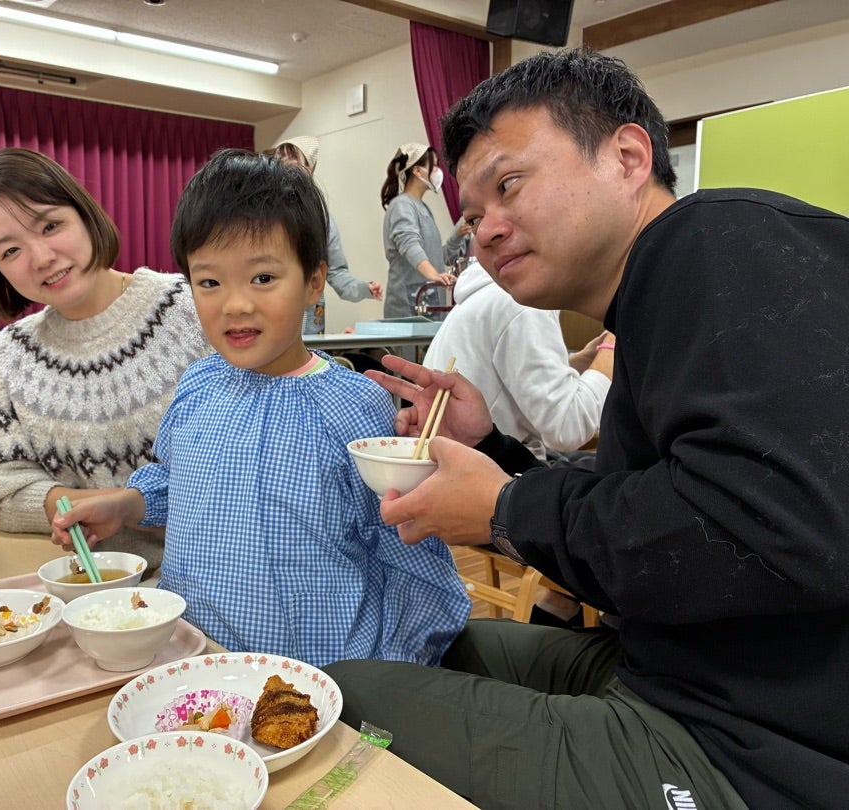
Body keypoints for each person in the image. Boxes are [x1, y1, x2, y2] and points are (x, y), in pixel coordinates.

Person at [324, 48, 849, 809]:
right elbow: (653, 504)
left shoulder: (711, 241)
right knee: (429, 635)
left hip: (747, 743)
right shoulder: (652, 300)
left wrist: (505, 511)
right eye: (471, 216)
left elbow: (771, 532)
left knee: (349, 690)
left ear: (629, 156)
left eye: (509, 186)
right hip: (671, 664)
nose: (485, 231)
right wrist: (493, 446)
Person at [53, 149, 470, 669]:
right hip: (193, 666)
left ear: (314, 282)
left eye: (263, 278)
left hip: (316, 684)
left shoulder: (356, 406)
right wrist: (127, 504)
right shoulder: (198, 383)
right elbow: (183, 480)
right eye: (209, 282)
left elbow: (414, 562)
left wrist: (384, 685)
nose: (235, 305)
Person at [0, 147, 210, 572]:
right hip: (94, 594)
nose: (41, 258)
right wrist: (63, 503)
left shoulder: (192, 309)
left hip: (215, 590)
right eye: (10, 252)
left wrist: (132, 504)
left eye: (51, 226)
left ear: (86, 215)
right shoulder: (13, 353)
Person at [424, 261, 612, 463]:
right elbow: (568, 429)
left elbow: (517, 380)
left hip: (467, 457)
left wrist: (583, 360)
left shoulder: (492, 294)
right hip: (487, 468)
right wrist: (611, 349)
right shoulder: (523, 306)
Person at [270, 135, 382, 334]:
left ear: (309, 168)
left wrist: (364, 288)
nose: (284, 166)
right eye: (280, 160)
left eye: (292, 160)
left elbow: (336, 272)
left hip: (311, 317)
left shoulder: (322, 218)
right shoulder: (263, 214)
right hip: (272, 307)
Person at [380, 143, 467, 321]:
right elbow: (409, 244)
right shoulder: (401, 205)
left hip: (428, 301)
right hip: (408, 307)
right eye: (433, 166)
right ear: (418, 171)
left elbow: (437, 258)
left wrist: (457, 235)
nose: (437, 171)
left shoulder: (423, 208)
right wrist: (433, 275)